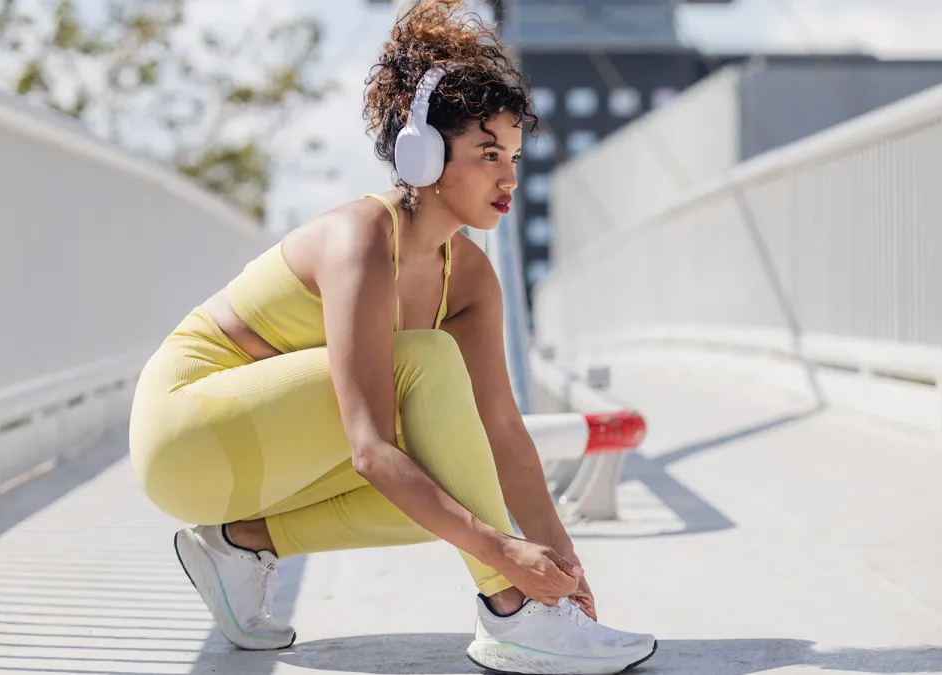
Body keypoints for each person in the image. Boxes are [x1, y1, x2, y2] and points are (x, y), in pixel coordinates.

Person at [128, 2, 657, 673]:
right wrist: (506, 560)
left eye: (516, 156)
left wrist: (569, 578)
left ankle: (242, 544)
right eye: (488, 152)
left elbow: (503, 436)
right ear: (424, 153)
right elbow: (370, 449)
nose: (509, 178)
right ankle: (511, 616)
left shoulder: (468, 278)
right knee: (428, 368)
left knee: (462, 472)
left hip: (260, 457)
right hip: (184, 431)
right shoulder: (361, 242)